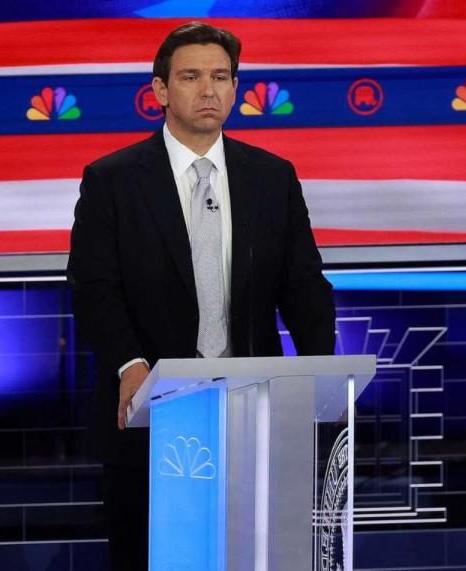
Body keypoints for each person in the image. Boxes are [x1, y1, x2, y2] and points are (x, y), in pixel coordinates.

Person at [67, 22, 335, 571]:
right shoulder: (112, 180)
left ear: (236, 88)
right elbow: (94, 288)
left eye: (220, 77)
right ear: (161, 90)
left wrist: (321, 373)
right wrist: (130, 365)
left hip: (251, 406)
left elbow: (304, 284)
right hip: (151, 410)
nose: (208, 90)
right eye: (191, 77)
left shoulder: (272, 177)